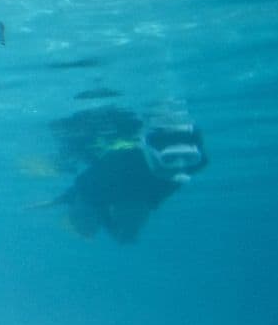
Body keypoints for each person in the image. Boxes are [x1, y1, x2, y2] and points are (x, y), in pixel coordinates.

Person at [44, 103, 207, 243]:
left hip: (137, 190)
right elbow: (85, 184)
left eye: (188, 158)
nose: (178, 166)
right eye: (170, 158)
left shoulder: (189, 167)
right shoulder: (119, 163)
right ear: (150, 153)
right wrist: (66, 199)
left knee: (126, 236)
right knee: (85, 228)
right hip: (106, 183)